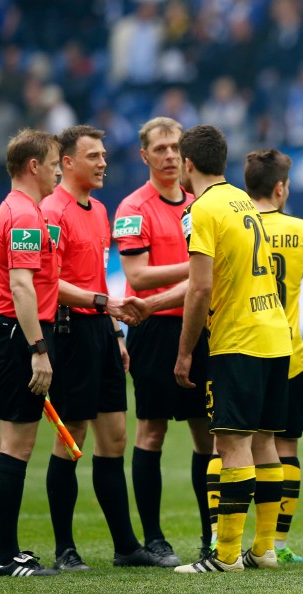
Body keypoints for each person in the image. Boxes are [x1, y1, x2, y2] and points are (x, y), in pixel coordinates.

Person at [42, 125, 169, 570]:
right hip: (69, 332)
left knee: (114, 439)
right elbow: (47, 283)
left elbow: (96, 274)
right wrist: (103, 304)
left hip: (100, 330)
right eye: (93, 156)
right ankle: (65, 550)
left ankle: (125, 547)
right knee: (72, 437)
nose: (102, 163)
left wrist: (115, 334)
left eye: (103, 156)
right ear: (67, 163)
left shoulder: (98, 210)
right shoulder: (51, 212)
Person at [172, 125, 292, 574]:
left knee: (229, 444)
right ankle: (263, 549)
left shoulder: (201, 209)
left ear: (188, 163)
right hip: (274, 334)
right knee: (265, 444)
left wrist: (185, 353)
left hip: (237, 339)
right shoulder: (242, 200)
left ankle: (224, 557)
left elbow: (200, 288)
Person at [113, 116, 213, 562]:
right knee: (150, 431)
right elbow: (137, 275)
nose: (170, 155)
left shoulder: (199, 204)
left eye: (175, 147)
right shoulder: (133, 209)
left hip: (199, 324)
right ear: (145, 156)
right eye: (160, 149)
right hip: (152, 328)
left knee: (207, 434)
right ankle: (154, 538)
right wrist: (199, 265)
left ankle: (211, 534)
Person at [0, 129, 62, 576]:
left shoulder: (15, 209)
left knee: (13, 444)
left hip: (8, 331)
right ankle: (4, 558)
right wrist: (38, 349)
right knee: (17, 446)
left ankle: (8, 551)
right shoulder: (26, 216)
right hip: (16, 333)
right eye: (53, 163)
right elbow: (20, 285)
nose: (57, 170)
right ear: (33, 166)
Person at [245, 149, 303, 564]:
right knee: (286, 447)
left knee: (232, 446)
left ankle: (223, 536)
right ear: (280, 187)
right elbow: (300, 271)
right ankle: (277, 543)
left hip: (246, 346)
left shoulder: (237, 225)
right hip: (290, 352)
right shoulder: (302, 229)